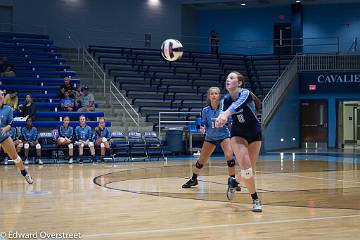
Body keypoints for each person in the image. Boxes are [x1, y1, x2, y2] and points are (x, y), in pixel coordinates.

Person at [215, 71, 262, 212]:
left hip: (255, 134)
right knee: (247, 169)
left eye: (231, 78)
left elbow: (235, 107)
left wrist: (225, 115)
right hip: (237, 135)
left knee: (249, 172)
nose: (227, 79)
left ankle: (234, 181)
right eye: (227, 77)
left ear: (239, 83)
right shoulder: (225, 100)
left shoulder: (245, 94)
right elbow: (221, 112)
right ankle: (255, 200)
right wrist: (219, 120)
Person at [182, 87, 240, 191]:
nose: (214, 95)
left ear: (219, 96)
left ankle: (233, 181)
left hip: (224, 136)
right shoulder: (205, 110)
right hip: (210, 137)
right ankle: (194, 179)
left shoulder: (224, 109)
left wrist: (225, 122)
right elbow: (203, 123)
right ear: (209, 96)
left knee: (229, 156)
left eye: (216, 93)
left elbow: (230, 122)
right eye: (212, 93)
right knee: (201, 160)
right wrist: (202, 128)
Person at [0, 90, 33, 183]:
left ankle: (25, 173)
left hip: (3, 137)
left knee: (15, 157)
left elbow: (11, 123)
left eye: (1, 95)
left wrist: (7, 127)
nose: (0, 97)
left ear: (3, 97)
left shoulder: (8, 109)